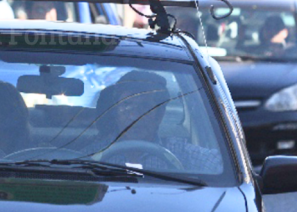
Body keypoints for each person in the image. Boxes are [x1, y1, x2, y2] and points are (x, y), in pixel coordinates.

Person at [88, 70, 222, 173]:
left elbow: (224, 167)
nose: (134, 115)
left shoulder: (180, 153)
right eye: (127, 105)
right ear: (116, 112)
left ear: (160, 115)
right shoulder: (92, 154)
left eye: (145, 107)